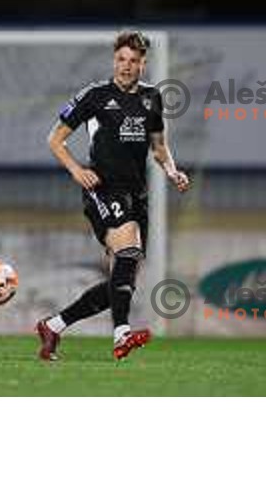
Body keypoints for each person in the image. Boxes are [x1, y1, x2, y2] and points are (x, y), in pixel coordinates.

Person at [36, 31, 190, 361]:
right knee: (129, 251)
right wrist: (77, 170)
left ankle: (53, 325)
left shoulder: (152, 98)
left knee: (121, 281)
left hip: (138, 194)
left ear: (142, 64)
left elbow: (159, 147)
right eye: (121, 59)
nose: (126, 66)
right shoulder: (94, 95)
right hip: (103, 188)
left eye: (133, 61)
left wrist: (173, 170)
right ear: (114, 61)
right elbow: (55, 139)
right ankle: (121, 334)